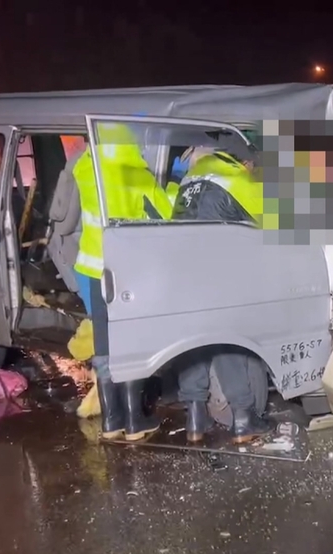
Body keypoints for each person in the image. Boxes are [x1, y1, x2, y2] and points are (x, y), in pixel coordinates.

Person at [74, 123, 173, 442]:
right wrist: (173, 187)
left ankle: (111, 419)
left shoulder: (86, 169)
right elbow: (166, 213)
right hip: (126, 270)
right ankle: (134, 421)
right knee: (130, 344)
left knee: (104, 347)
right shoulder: (136, 175)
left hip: (93, 270)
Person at [171, 142, 274, 443]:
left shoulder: (189, 180)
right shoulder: (237, 178)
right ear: (245, 163)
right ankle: (243, 418)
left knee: (194, 344)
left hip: (182, 272)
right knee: (228, 342)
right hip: (220, 273)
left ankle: (195, 418)